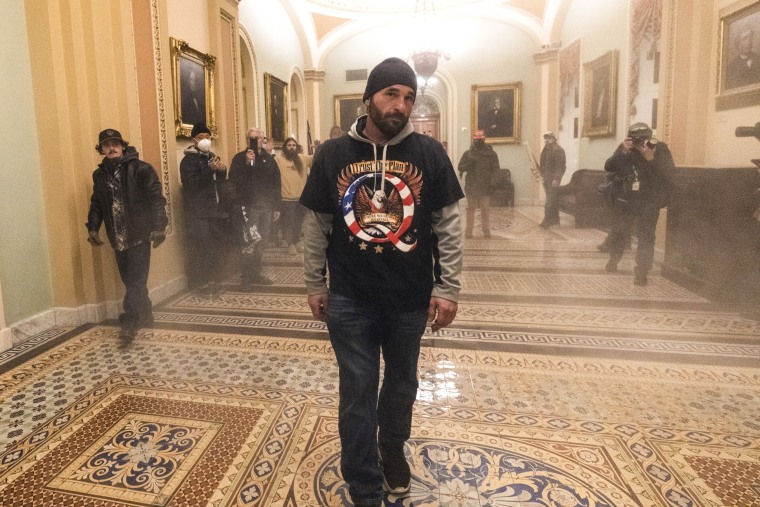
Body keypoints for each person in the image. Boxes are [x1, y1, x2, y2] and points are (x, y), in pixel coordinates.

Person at [300, 57, 464, 507]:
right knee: (357, 390)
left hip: (409, 300)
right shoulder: (333, 154)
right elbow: (316, 225)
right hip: (350, 298)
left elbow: (448, 224)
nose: (401, 105)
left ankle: (391, 449)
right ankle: (363, 481)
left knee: (401, 385)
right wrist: (315, 284)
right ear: (368, 97)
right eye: (391, 94)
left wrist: (447, 287)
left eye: (409, 97)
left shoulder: (429, 153)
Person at [86, 129, 168, 341]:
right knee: (132, 280)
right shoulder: (99, 175)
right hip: (117, 237)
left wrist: (159, 226)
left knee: (135, 281)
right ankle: (146, 313)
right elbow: (97, 203)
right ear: (101, 150)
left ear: (123, 146)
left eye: (115, 144)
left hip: (139, 234)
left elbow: (156, 199)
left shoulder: (141, 169)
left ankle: (129, 320)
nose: (111, 148)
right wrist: (93, 227)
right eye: (106, 145)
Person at [604, 122, 674, 286]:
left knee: (646, 236)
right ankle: (613, 259)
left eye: (642, 139)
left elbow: (669, 174)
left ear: (649, 138)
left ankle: (642, 272)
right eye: (635, 140)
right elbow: (609, 166)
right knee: (620, 231)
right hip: (628, 198)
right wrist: (622, 151)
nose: (639, 143)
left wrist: (650, 159)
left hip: (649, 199)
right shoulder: (626, 149)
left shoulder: (660, 149)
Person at [229, 128, 281, 289]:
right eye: (251, 138)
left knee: (262, 241)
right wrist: (246, 163)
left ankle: (256, 272)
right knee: (248, 242)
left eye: (258, 138)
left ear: (263, 140)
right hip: (247, 207)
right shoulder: (239, 158)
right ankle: (246, 277)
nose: (255, 141)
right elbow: (234, 179)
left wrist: (276, 206)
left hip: (266, 207)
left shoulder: (269, 159)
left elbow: (276, 183)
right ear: (247, 140)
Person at [179, 122, 228, 294]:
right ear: (194, 139)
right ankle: (199, 283)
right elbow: (191, 184)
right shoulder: (188, 160)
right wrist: (209, 170)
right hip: (197, 212)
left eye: (208, 137)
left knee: (213, 247)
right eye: (202, 138)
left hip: (212, 209)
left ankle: (213, 281)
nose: (206, 140)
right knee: (201, 247)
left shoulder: (211, 157)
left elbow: (218, 183)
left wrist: (221, 170)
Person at [457, 129, 500, 238]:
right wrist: (469, 164)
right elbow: (460, 167)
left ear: (484, 139)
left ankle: (486, 231)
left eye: (480, 139)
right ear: (473, 140)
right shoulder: (468, 153)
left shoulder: (491, 154)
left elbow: (496, 170)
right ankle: (469, 231)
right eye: (476, 140)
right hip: (471, 186)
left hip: (486, 186)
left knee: (485, 209)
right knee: (471, 209)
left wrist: (493, 183)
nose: (478, 142)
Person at [276, 136, 312, 252]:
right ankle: (290, 244)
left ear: (297, 147)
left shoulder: (302, 158)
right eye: (289, 145)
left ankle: (296, 243)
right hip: (286, 199)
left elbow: (317, 159)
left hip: (301, 199)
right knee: (288, 223)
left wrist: (318, 149)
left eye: (294, 145)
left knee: (298, 222)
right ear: (285, 147)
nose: (291, 147)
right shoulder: (278, 160)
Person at [538, 132, 566, 228]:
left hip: (553, 179)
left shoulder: (557, 150)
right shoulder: (547, 149)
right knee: (552, 200)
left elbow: (561, 167)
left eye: (549, 138)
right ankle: (555, 221)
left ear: (554, 139)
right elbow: (544, 164)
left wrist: (556, 179)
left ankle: (548, 221)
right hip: (547, 178)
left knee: (549, 201)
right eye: (545, 138)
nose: (546, 140)